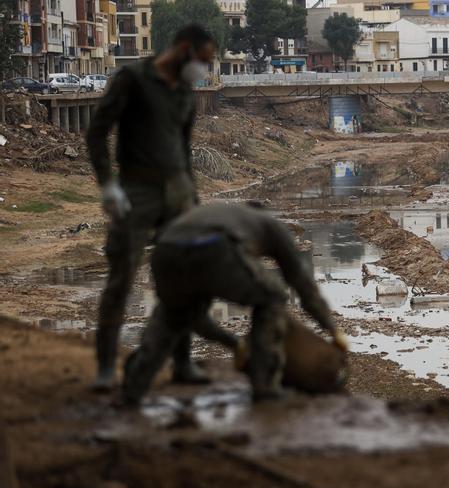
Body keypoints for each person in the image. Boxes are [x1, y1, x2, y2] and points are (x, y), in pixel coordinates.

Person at [86, 24, 217, 391]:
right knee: (122, 277)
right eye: (203, 61)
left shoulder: (185, 93)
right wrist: (107, 185)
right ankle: (105, 369)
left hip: (178, 192)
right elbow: (97, 131)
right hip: (136, 190)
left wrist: (193, 197)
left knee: (182, 280)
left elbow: (185, 149)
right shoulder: (133, 79)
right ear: (184, 49)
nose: (204, 69)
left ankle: (182, 364)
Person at [121, 203, 345, 404]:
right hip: (215, 247)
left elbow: (196, 319)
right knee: (273, 295)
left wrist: (234, 343)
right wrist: (331, 328)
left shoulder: (225, 213)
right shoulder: (271, 225)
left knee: (174, 313)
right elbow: (301, 281)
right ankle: (265, 385)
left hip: (165, 250)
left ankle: (134, 385)